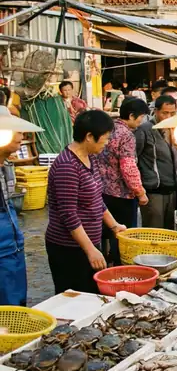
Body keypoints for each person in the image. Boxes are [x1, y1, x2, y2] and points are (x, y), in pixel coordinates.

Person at [46, 110, 124, 293]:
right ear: (89, 136)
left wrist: (114, 226)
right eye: (104, 139)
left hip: (89, 242)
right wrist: (90, 250)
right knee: (75, 298)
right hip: (68, 249)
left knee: (92, 295)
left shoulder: (90, 158)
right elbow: (69, 215)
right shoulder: (67, 165)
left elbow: (96, 198)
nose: (106, 144)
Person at [95, 99, 148, 265]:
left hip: (102, 191)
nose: (142, 121)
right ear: (131, 116)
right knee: (123, 235)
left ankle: (106, 261)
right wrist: (140, 192)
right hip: (122, 194)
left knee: (106, 231)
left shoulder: (109, 129)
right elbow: (128, 167)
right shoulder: (126, 135)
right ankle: (120, 267)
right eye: (141, 117)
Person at [0, 108, 39, 305]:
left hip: (13, 244)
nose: (21, 136)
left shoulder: (6, 166)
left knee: (16, 301)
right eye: (16, 131)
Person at [136, 95, 177, 230]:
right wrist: (139, 190)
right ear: (156, 111)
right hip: (153, 190)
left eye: (172, 113)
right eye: (164, 113)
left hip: (171, 187)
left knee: (170, 230)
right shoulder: (144, 130)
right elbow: (133, 158)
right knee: (154, 230)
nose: (168, 117)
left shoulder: (174, 128)